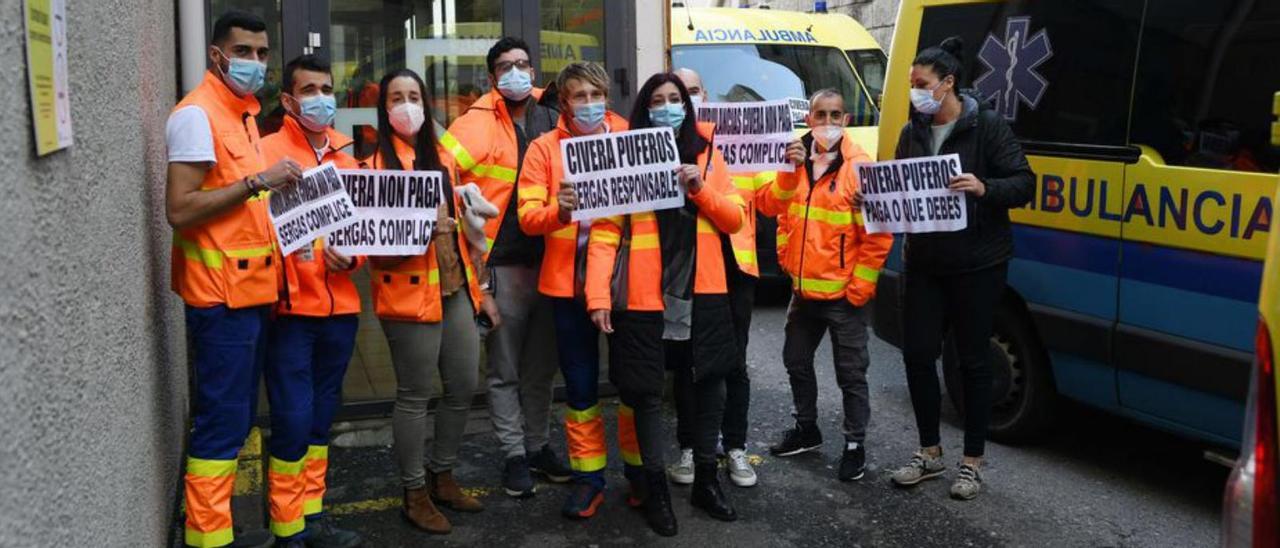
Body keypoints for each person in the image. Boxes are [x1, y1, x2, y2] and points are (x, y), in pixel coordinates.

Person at [586, 72, 748, 533]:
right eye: (657, 100)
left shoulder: (708, 153)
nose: (667, 106)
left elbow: (734, 219)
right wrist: (598, 295)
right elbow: (603, 232)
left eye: (675, 99)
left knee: (709, 385)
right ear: (644, 109)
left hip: (705, 294)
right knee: (646, 393)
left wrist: (701, 187)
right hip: (643, 298)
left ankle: (706, 481)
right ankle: (656, 489)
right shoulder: (626, 159)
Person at [165, 10, 301, 548]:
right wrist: (255, 182)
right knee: (222, 425)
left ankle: (214, 531)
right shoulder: (197, 114)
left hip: (246, 294)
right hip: (218, 300)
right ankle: (208, 540)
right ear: (216, 54)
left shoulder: (240, 114)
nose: (255, 63)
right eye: (243, 52)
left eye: (262, 54)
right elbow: (180, 208)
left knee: (238, 417)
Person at [884, 37, 1034, 500]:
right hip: (925, 262)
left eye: (922, 84)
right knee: (917, 355)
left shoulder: (986, 127)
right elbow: (899, 188)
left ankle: (972, 461)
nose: (915, 92)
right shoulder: (912, 132)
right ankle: (929, 452)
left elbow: (1024, 182)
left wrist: (983, 187)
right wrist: (874, 199)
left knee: (973, 361)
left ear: (948, 84)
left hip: (977, 264)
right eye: (912, 85)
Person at [368, 68, 500, 534]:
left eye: (414, 96)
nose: (407, 106)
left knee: (464, 384)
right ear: (384, 110)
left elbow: (464, 231)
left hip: (456, 287)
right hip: (409, 296)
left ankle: (442, 476)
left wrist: (464, 207)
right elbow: (372, 239)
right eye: (397, 98)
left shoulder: (442, 155)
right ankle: (414, 492)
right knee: (413, 395)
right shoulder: (375, 166)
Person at [441, 37, 571, 498]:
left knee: (541, 370)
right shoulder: (472, 123)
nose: (516, 72)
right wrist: (479, 281)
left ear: (532, 70)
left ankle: (538, 446)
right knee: (505, 369)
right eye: (505, 66)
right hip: (503, 266)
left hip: (553, 262)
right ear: (492, 77)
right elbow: (440, 184)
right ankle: (515, 454)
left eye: (522, 64)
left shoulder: (555, 114)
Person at [516, 61, 644, 520]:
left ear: (607, 97)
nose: (588, 103)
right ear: (563, 102)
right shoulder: (542, 150)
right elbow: (528, 218)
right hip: (567, 289)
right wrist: (559, 210)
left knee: (631, 386)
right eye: (578, 96)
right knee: (581, 386)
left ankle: (639, 475)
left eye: (596, 94)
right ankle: (589, 480)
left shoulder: (629, 137)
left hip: (623, 284)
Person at [759, 89, 893, 483]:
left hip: (843, 297)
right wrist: (785, 256)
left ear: (846, 120)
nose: (828, 121)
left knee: (851, 375)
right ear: (809, 118)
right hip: (803, 293)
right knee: (795, 361)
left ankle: (855, 446)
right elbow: (773, 209)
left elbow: (879, 235)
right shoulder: (794, 158)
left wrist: (859, 288)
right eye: (821, 114)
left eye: (836, 114)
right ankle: (807, 429)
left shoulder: (861, 168)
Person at [258, 54, 364, 548]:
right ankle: (287, 529)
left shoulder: (348, 156)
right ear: (287, 100)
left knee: (322, 417)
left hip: (340, 309)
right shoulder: (265, 153)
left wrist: (354, 258)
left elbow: (364, 230)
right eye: (309, 89)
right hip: (290, 311)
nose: (321, 98)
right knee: (294, 418)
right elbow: (257, 230)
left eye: (327, 88)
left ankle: (313, 516)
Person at [666, 67, 767, 489]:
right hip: (691, 272)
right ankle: (691, 446)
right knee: (690, 365)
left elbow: (770, 200)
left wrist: (794, 171)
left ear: (703, 94)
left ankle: (736, 447)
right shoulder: (663, 145)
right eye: (674, 95)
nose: (682, 102)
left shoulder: (724, 144)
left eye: (690, 92)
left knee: (732, 365)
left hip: (735, 270)